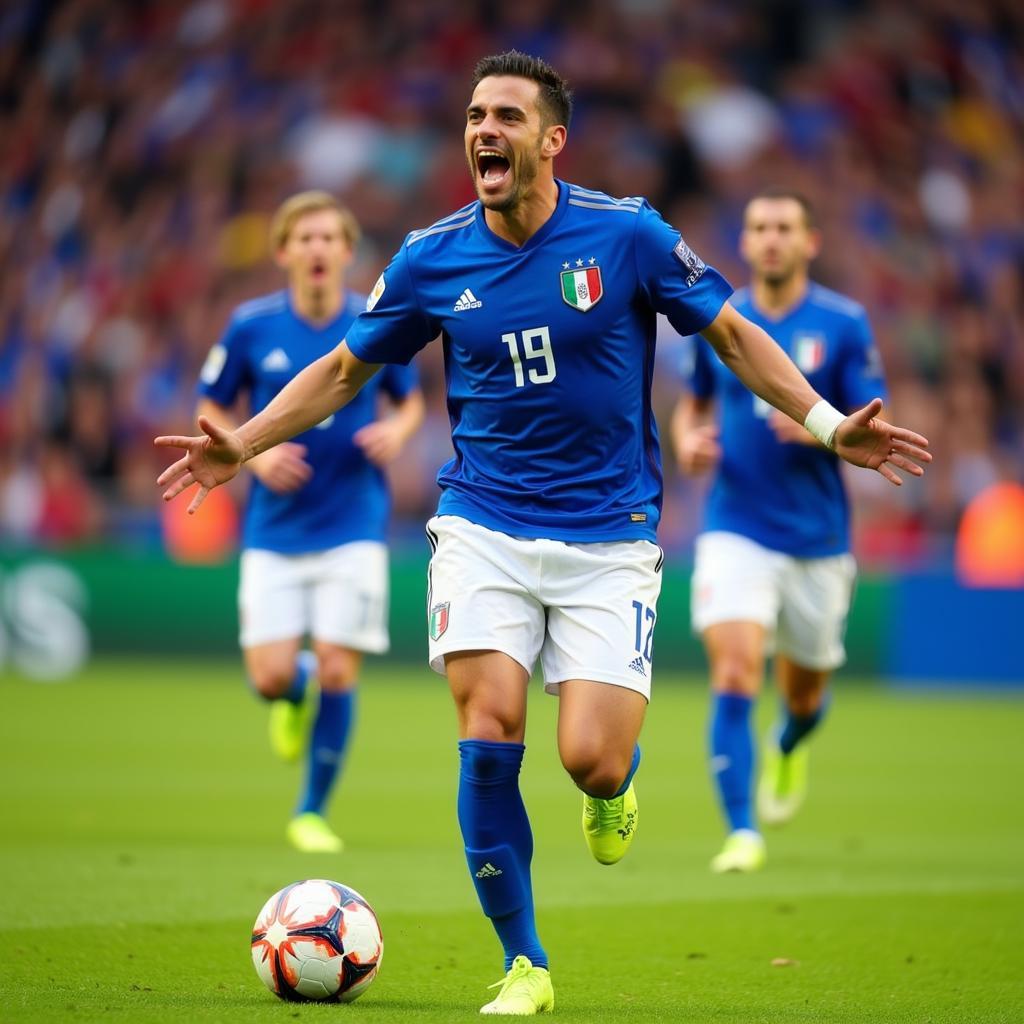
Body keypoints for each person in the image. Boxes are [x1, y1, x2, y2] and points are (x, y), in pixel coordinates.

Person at [156, 53, 930, 1016]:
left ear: (551, 140)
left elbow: (731, 335)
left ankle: (614, 789)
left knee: (590, 759)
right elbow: (348, 371)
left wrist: (825, 422)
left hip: (609, 536)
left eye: (508, 117)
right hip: (481, 524)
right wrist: (247, 440)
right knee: (487, 732)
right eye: (476, 114)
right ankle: (525, 962)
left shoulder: (627, 236)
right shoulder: (430, 257)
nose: (485, 129)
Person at [193, 191, 424, 854]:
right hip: (275, 527)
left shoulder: (372, 321)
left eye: (330, 238)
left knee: (340, 667)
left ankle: (312, 811)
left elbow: (407, 402)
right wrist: (254, 461)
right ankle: (292, 693)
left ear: (348, 253)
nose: (319, 249)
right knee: (271, 676)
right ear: (284, 252)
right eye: (306, 238)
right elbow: (211, 400)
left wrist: (395, 432)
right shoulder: (250, 325)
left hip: (353, 522)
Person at [671, 189, 891, 873]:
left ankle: (789, 744)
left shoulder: (844, 323)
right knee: (734, 668)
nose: (770, 239)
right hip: (735, 524)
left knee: (805, 696)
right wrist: (687, 444)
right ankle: (742, 832)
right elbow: (693, 406)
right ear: (745, 240)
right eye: (759, 227)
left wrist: (817, 426)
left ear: (809, 242)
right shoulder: (719, 318)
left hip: (818, 539)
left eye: (784, 228)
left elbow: (867, 420)